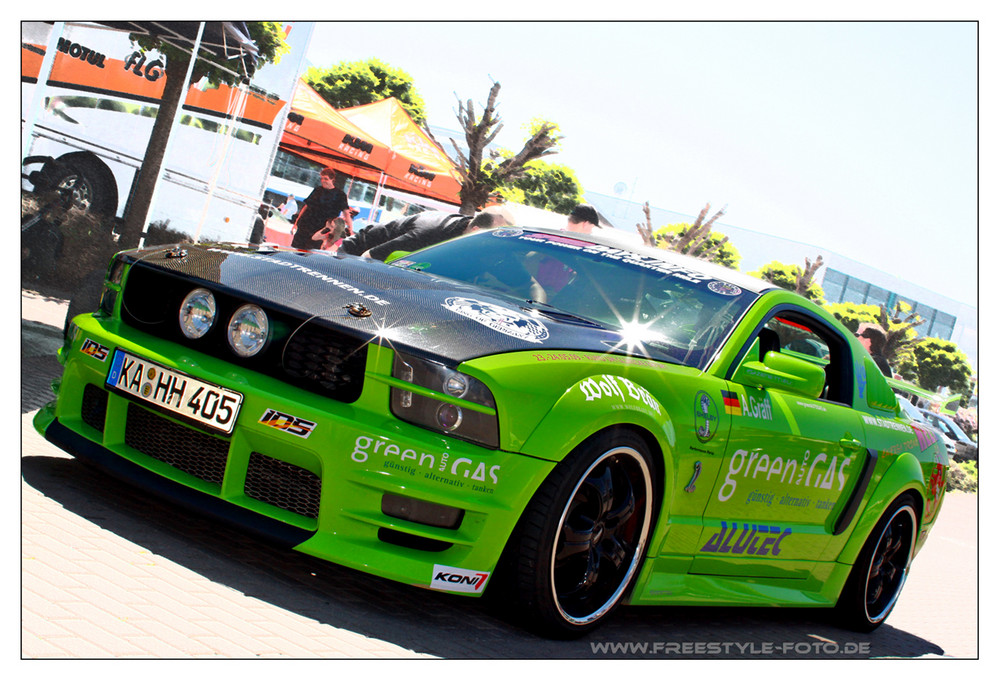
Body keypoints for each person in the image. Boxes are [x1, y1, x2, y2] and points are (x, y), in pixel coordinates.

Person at [337, 206, 514, 261]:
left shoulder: (469, 231)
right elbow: (368, 257)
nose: (493, 244)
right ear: (475, 231)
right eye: (492, 238)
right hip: (355, 253)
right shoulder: (431, 233)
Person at [290, 168, 354, 250]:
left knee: (312, 251)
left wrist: (350, 229)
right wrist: (296, 223)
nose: (323, 181)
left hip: (322, 228)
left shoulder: (340, 195)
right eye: (322, 178)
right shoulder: (317, 190)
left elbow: (346, 213)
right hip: (305, 225)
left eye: (326, 179)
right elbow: (306, 207)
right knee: (295, 248)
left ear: (332, 180)